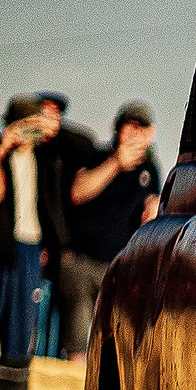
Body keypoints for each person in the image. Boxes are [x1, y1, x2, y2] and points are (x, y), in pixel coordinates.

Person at [55, 100, 162, 356]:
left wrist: (155, 210)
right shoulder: (96, 155)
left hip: (118, 268)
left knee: (112, 344)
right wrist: (116, 163)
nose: (135, 132)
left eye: (142, 127)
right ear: (117, 128)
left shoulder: (150, 170)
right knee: (77, 340)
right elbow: (78, 192)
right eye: (130, 126)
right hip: (81, 261)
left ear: (150, 133)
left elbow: (152, 206)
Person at [0, 95, 54, 359]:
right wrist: (3, 147)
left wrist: (53, 129)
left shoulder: (46, 158)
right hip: (4, 245)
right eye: (23, 125)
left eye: (34, 125)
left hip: (33, 245)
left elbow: (84, 146)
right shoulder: (3, 154)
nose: (28, 133)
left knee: (23, 322)